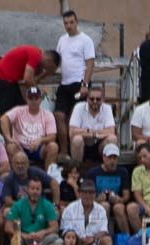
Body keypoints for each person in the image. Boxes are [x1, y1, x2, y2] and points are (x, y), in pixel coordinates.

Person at [54, 10, 96, 158]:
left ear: (77, 22)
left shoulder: (86, 40)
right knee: (59, 115)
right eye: (66, 23)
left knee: (74, 118)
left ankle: (74, 151)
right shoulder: (62, 40)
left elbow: (90, 63)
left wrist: (85, 84)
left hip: (79, 84)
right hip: (64, 84)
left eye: (71, 22)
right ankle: (63, 151)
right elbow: (57, 61)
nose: (69, 25)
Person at [0, 45, 60, 117]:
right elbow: (27, 79)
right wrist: (39, 94)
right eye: (49, 67)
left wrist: (46, 73)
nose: (45, 68)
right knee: (8, 110)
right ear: (48, 60)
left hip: (10, 82)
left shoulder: (37, 55)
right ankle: (6, 127)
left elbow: (34, 79)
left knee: (21, 107)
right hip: (2, 79)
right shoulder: (36, 55)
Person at [1, 86, 58, 168]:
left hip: (39, 149)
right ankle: (17, 175)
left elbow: (52, 137)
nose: (33, 101)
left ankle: (49, 175)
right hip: (20, 147)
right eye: (31, 98)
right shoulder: (18, 110)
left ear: (41, 99)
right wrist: (8, 138)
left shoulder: (48, 114)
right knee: (10, 146)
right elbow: (3, 119)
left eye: (36, 98)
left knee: (53, 146)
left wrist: (41, 140)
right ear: (26, 99)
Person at [61, 179, 111, 245]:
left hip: (94, 242)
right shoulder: (70, 208)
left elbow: (104, 231)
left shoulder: (101, 209)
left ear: (95, 194)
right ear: (80, 193)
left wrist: (93, 238)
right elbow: (65, 230)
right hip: (75, 243)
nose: (88, 195)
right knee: (70, 240)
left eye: (91, 193)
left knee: (107, 241)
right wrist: (78, 239)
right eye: (85, 192)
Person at [67, 85, 117, 165]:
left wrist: (91, 133)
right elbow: (72, 132)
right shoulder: (78, 107)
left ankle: (108, 169)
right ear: (87, 99)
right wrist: (92, 133)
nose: (95, 101)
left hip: (100, 144)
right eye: (92, 99)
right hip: (82, 144)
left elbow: (111, 131)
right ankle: (76, 169)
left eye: (98, 99)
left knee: (112, 139)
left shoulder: (107, 108)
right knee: (77, 139)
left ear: (103, 100)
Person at [6, 175, 59, 245]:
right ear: (27, 189)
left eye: (38, 189)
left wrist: (43, 232)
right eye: (32, 188)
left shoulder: (47, 204)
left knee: (57, 240)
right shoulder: (18, 205)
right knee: (15, 241)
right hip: (24, 237)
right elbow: (8, 227)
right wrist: (22, 235)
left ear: (41, 190)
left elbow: (55, 227)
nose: (35, 191)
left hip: (42, 239)